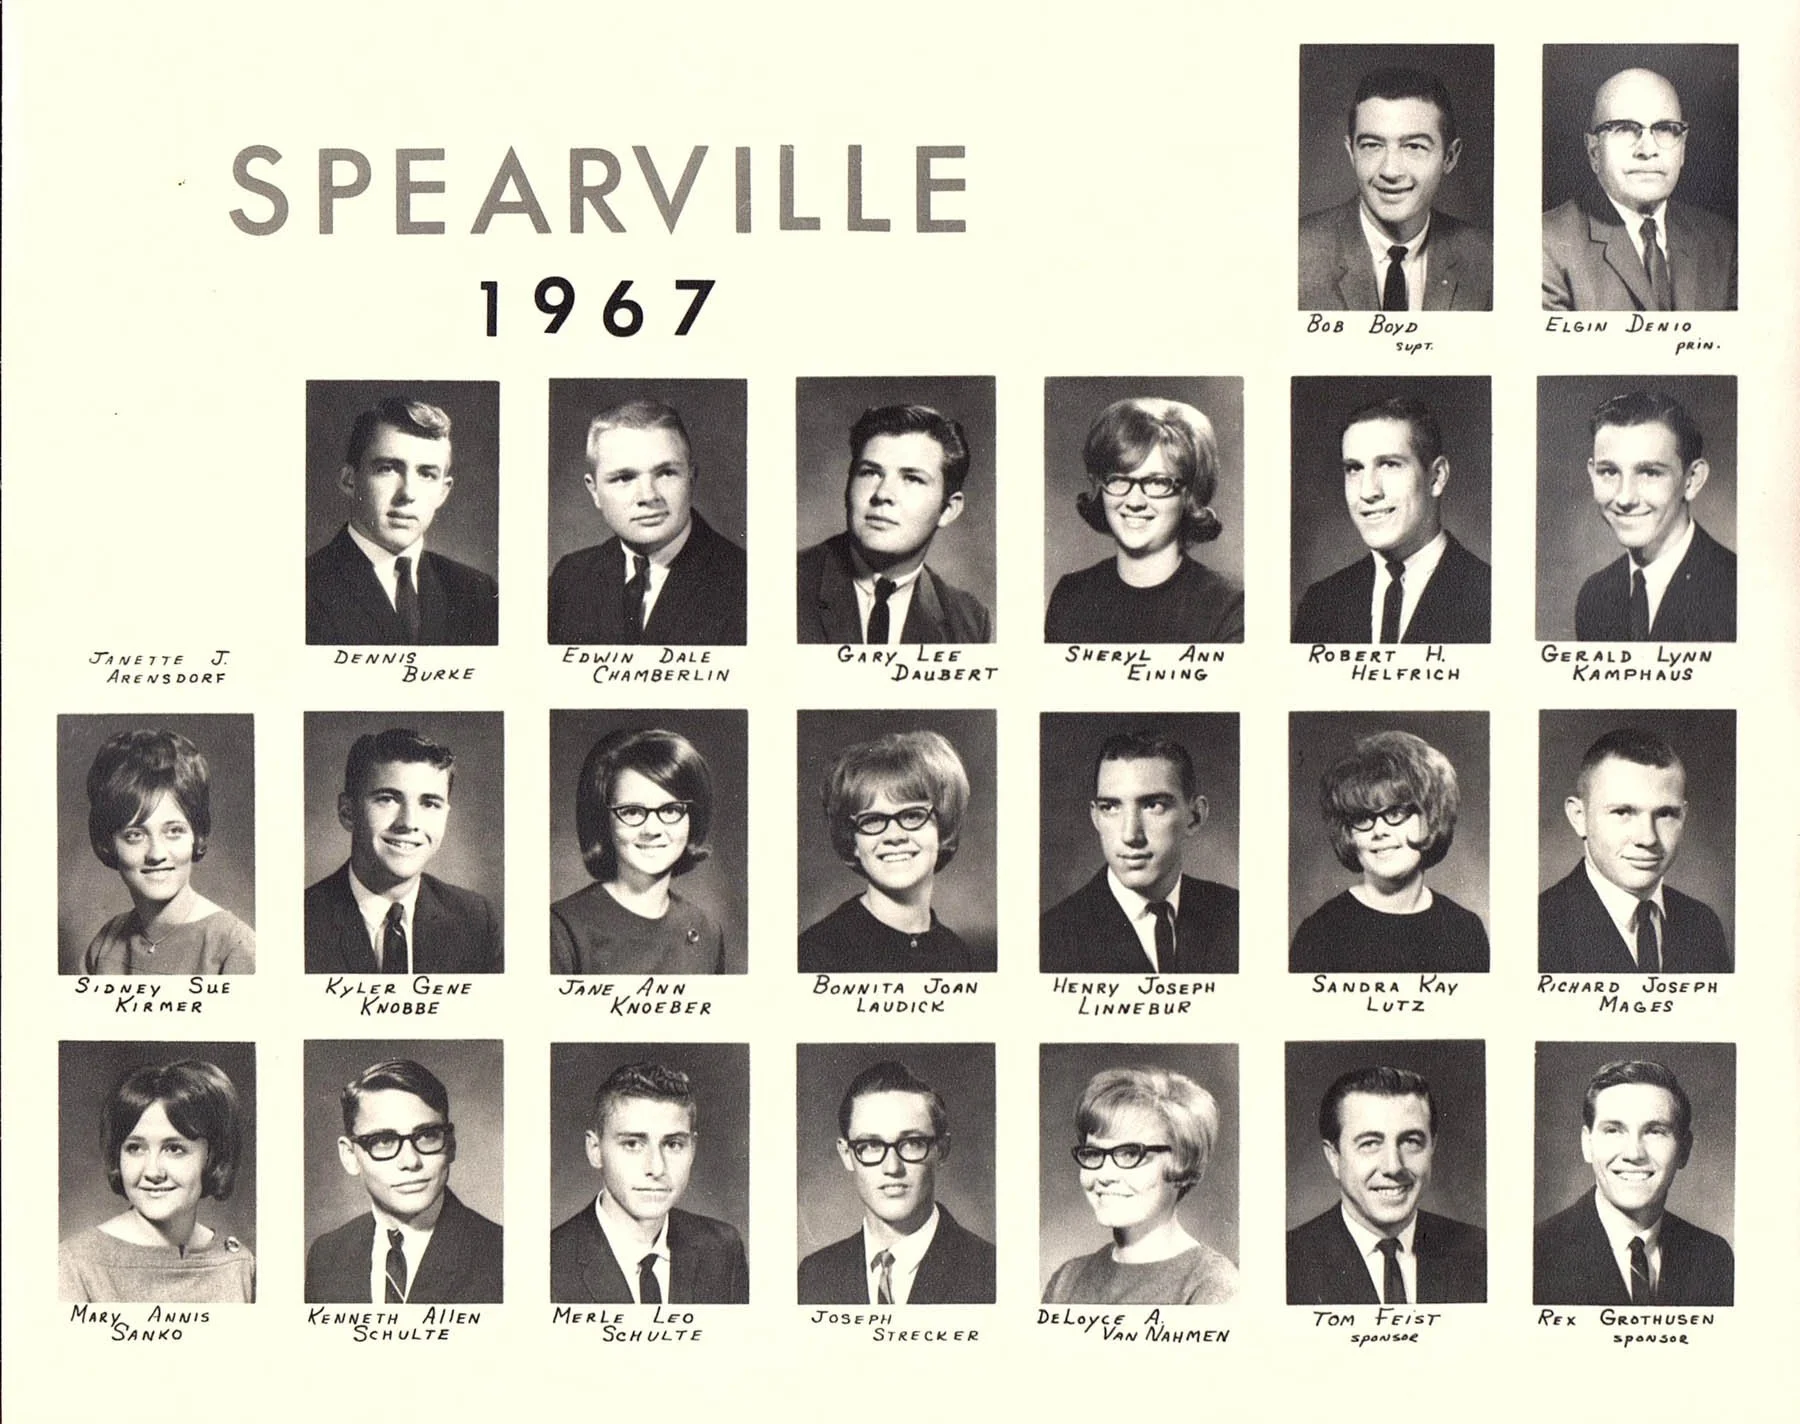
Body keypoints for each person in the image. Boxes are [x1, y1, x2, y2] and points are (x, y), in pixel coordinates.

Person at [1044, 398, 1244, 643]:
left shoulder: (1230, 607)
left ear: (1189, 493)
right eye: (1119, 479)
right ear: (1100, 486)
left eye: (1157, 482)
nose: (1134, 500)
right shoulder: (1071, 596)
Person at [548, 398, 747, 644]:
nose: (648, 496)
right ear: (594, 492)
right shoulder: (570, 578)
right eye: (624, 478)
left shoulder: (746, 582)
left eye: (666, 473)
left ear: (691, 478)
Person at [1292, 396, 1490, 643]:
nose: (1368, 491)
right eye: (1354, 468)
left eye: (1389, 464)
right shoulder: (1321, 603)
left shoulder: (1491, 597)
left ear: (1437, 477)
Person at [1534, 1060, 1733, 1304]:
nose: (1634, 1153)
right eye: (1614, 1130)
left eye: (1655, 1131)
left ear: (1684, 1150)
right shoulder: (1536, 1253)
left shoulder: (1713, 1257)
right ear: (1587, 1144)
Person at [304, 728, 502, 974]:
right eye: (387, 799)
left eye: (429, 803)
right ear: (348, 812)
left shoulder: (476, 921)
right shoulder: (301, 921)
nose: (409, 822)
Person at [305, 1058, 503, 1303]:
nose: (411, 1161)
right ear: (349, 1156)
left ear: (450, 1145)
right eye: (383, 1141)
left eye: (427, 1135)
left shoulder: (503, 1256)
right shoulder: (326, 1256)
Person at [1040, 731, 1238, 974]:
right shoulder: (1049, 940)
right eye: (1110, 807)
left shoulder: (1237, 915)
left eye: (1153, 805)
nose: (1130, 835)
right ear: (1096, 818)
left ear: (1194, 817)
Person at [1290, 731, 1489, 973]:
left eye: (1395, 813)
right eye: (1363, 817)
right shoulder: (1320, 935)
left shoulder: (1465, 931)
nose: (1379, 831)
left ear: (1431, 817)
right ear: (1349, 833)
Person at [798, 1060, 995, 1304]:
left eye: (912, 1143)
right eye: (870, 1145)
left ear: (942, 1150)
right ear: (847, 1155)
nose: (892, 1167)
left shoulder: (992, 1273)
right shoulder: (813, 1276)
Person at [550, 1062, 749, 1303]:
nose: (656, 1168)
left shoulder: (723, 1247)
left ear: (692, 1150)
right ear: (595, 1150)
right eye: (633, 1144)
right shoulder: (548, 1262)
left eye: (673, 1144)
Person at [306, 396, 499, 645]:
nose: (407, 493)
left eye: (427, 474)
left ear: (443, 491)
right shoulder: (302, 587)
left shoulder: (478, 593)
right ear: (349, 481)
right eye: (387, 468)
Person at [1287, 1066, 1487, 1304]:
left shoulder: (1482, 1253)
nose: (1393, 1167)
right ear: (1334, 1157)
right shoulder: (1286, 1264)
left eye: (1411, 1141)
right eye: (1370, 1143)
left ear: (1432, 1147)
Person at [59, 1059, 254, 1302]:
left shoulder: (239, 1265)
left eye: (174, 1149)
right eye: (135, 1148)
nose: (153, 1172)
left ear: (213, 1156)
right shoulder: (74, 1264)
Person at [1299, 67, 1492, 311]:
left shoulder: (1489, 259)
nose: (1390, 171)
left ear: (1450, 157)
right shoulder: (1295, 254)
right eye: (1372, 145)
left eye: (1414, 147)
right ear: (1352, 153)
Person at [1539, 728, 1730, 974]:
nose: (1648, 838)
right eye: (1622, 812)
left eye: (1665, 814)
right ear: (1579, 817)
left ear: (1683, 816)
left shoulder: (1703, 925)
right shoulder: (1538, 928)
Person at [1543, 68, 1736, 311]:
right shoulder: (1545, 244)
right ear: (1594, 151)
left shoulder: (1725, 243)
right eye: (1624, 128)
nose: (1647, 149)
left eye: (1665, 128)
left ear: (1683, 149)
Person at [1042, 1066, 1239, 1305]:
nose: (1104, 1175)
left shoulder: (1212, 1286)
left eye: (1128, 1154)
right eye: (1093, 1154)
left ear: (1182, 1159)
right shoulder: (1067, 1280)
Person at [797, 404, 992, 643]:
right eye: (870, 472)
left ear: (948, 510)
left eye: (912, 478)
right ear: (848, 485)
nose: (882, 494)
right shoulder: (784, 583)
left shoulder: (969, 621)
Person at [800, 730, 978, 973]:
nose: (894, 836)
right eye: (872, 820)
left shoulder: (956, 954)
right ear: (854, 841)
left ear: (943, 826)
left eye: (913, 815)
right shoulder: (814, 955)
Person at [551, 729, 726, 975]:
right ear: (605, 821)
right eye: (632, 811)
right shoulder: (560, 929)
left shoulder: (707, 931)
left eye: (670, 810)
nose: (652, 829)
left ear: (691, 819)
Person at [80, 729, 255, 974]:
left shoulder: (235, 948)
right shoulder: (105, 945)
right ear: (109, 843)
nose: (156, 853)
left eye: (173, 831)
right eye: (135, 835)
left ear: (197, 835)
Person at [1572, 391, 1735, 641]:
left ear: (1692, 480)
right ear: (1592, 474)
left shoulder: (1740, 592)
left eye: (1649, 473)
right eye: (1609, 472)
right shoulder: (1595, 596)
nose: (1625, 498)